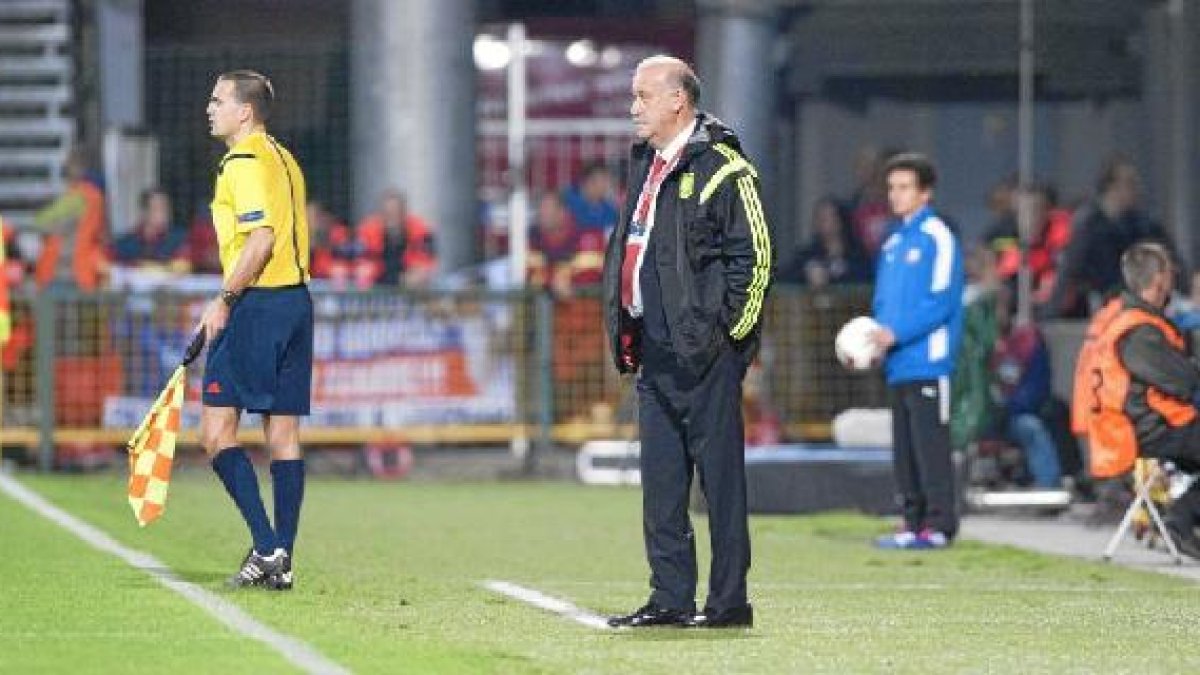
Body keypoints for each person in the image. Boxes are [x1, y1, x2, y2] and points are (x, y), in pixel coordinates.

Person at [602, 55, 772, 629]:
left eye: (643, 96)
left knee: (720, 486)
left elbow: (755, 260)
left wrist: (727, 340)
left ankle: (729, 603)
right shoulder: (646, 165)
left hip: (705, 357)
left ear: (679, 100)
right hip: (653, 350)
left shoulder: (725, 168)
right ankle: (670, 598)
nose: (634, 107)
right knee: (662, 486)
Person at [199, 69, 313, 589]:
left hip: (259, 305)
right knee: (283, 435)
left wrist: (225, 300)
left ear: (244, 112)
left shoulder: (243, 160)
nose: (210, 106)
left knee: (216, 432)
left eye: (218, 99)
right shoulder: (283, 157)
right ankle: (281, 558)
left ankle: (267, 546)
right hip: (296, 303)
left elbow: (260, 238)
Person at [868, 153, 964, 550]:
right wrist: (874, 340)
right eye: (892, 187)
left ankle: (940, 526)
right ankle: (911, 524)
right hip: (898, 365)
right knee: (905, 451)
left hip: (928, 361)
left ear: (925, 192)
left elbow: (940, 303)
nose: (896, 195)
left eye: (905, 187)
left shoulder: (939, 238)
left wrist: (896, 333)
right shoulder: (892, 243)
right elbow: (882, 304)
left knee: (931, 448)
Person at [1086, 241, 1200, 559]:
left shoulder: (1124, 319)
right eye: (1170, 273)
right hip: (1146, 428)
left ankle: (1181, 516)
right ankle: (1181, 518)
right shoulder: (1140, 331)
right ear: (1159, 279)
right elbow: (1183, 382)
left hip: (1137, 424)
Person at [778, 196, 871, 286]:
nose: (820, 221)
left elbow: (865, 278)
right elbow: (784, 276)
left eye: (826, 217)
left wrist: (832, 277)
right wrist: (806, 273)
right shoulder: (808, 254)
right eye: (817, 217)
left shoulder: (856, 254)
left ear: (839, 221)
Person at [355, 190, 436, 288]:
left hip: (411, 290)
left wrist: (416, 275)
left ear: (404, 213)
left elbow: (424, 267)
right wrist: (399, 279)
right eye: (387, 213)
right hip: (376, 288)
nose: (392, 218)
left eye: (396, 212)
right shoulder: (367, 231)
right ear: (380, 214)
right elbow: (362, 268)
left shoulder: (421, 231)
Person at [112, 188, 189, 270]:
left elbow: (181, 266)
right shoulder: (126, 243)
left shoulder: (179, 239)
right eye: (158, 208)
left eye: (166, 208)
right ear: (145, 213)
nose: (164, 213)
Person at [563, 161, 620, 235]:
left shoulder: (610, 211)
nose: (606, 186)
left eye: (607, 181)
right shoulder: (567, 200)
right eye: (603, 181)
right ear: (589, 182)